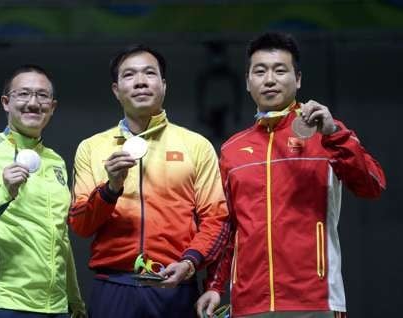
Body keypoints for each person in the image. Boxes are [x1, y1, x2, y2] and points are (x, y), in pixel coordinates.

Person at [196, 32, 386, 318]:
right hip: (249, 302)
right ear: (248, 83)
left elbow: (372, 185)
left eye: (279, 70)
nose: (269, 79)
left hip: (316, 299)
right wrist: (214, 285)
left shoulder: (328, 134)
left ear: (298, 79)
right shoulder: (232, 150)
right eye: (260, 71)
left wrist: (335, 134)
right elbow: (228, 227)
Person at [68, 44, 229, 317]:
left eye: (149, 73)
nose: (141, 81)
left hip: (176, 283)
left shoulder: (196, 145)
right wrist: (110, 189)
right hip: (113, 286)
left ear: (163, 85)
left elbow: (216, 219)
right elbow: (80, 225)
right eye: (129, 75)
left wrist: (190, 263)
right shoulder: (92, 147)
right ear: (116, 90)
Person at [0, 65, 86, 318]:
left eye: (42, 96)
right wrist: (3, 194)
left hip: (56, 307)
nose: (33, 103)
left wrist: (74, 301)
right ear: (6, 102)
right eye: (23, 94)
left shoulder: (56, 162)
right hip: (3, 305)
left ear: (52, 107)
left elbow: (60, 238)